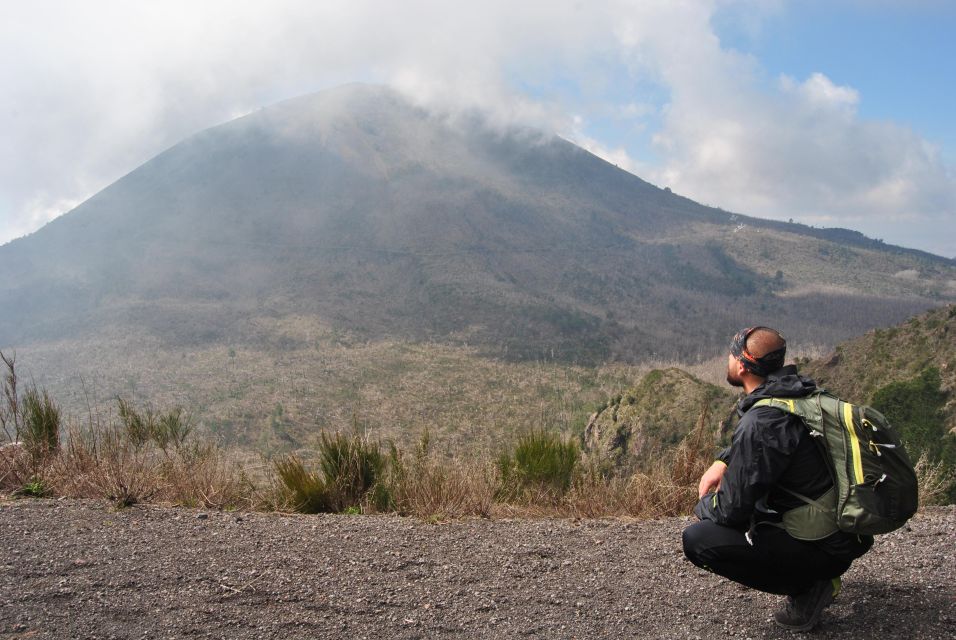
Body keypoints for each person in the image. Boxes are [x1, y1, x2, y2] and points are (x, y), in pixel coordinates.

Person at [682, 326, 872, 632]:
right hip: (845, 534)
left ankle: (809, 588)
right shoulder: (799, 393)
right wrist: (725, 459)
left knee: (699, 540)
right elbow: (776, 443)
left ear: (742, 366)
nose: (727, 360)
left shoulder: (761, 422)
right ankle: (816, 569)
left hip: (824, 548)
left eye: (731, 354)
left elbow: (730, 511)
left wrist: (703, 504)